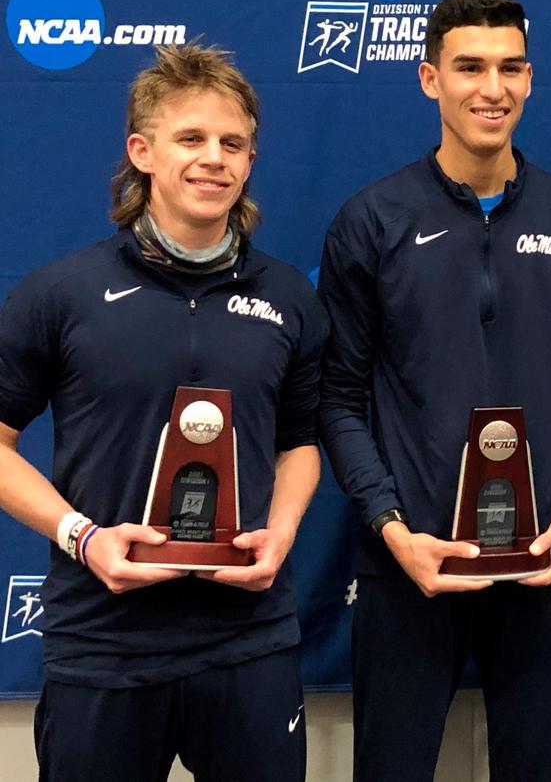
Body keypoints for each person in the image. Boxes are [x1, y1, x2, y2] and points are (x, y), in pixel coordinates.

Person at [0, 43, 328, 782]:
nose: (214, 159)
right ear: (142, 151)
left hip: (246, 638)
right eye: (192, 138)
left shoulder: (288, 298)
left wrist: (279, 536)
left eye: (233, 143)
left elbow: (301, 442)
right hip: (102, 643)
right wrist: (82, 537)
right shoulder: (61, 293)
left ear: (249, 161)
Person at [318, 0, 551, 782]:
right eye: (470, 67)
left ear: (530, 78)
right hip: (410, 563)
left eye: (511, 67)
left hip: (541, 562)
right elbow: (339, 399)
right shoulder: (370, 220)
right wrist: (387, 523)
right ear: (428, 79)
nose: (493, 88)